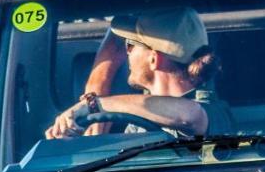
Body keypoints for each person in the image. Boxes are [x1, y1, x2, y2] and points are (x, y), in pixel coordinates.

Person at [45, 7, 230, 138]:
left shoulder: (211, 110)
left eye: (131, 45)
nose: (127, 52)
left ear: (153, 59)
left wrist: (95, 105)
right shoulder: (137, 112)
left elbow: (189, 116)